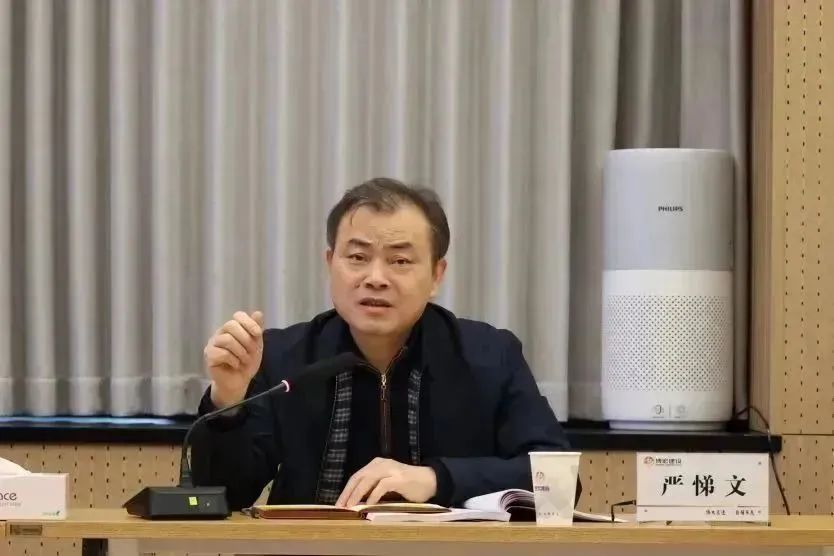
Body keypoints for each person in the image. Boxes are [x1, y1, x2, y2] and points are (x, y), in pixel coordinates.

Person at [191, 177, 574, 510]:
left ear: (436, 275)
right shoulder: (281, 357)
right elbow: (221, 496)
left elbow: (560, 482)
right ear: (330, 263)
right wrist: (228, 402)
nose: (375, 278)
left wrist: (436, 478)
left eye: (400, 261)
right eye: (358, 257)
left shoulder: (489, 355)